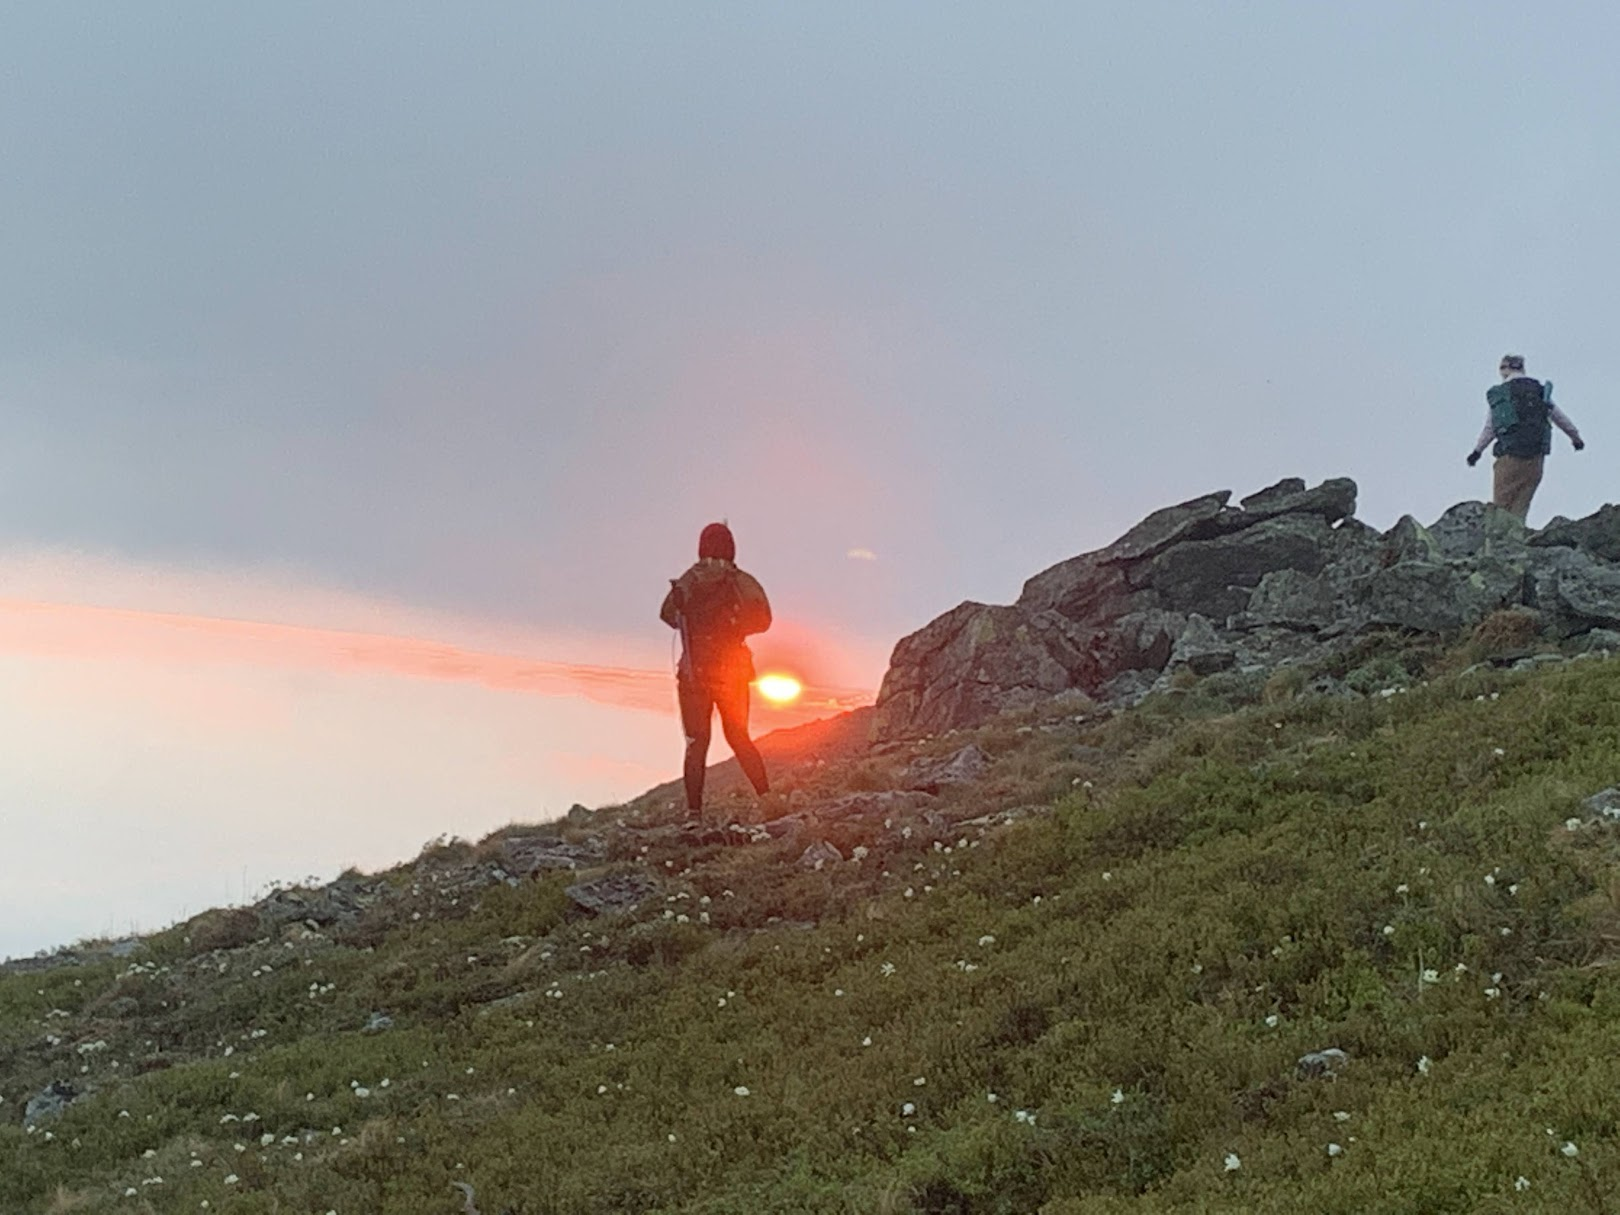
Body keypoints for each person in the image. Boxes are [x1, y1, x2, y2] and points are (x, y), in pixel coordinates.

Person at [659, 522, 772, 818]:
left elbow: (667, 614)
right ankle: (767, 798)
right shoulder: (742, 580)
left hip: (693, 672)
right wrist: (734, 627)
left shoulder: (689, 578)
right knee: (739, 736)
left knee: (696, 743)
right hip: (733, 671)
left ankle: (694, 814)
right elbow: (764, 620)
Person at [1467, 353, 1585, 520]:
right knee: (1521, 506)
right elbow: (1559, 417)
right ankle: (1518, 540)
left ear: (1504, 369)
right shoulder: (1539, 391)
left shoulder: (1501, 394)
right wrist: (1576, 438)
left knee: (1501, 506)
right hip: (1536, 456)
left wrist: (1476, 452)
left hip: (1509, 455)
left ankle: (1499, 543)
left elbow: (1491, 427)